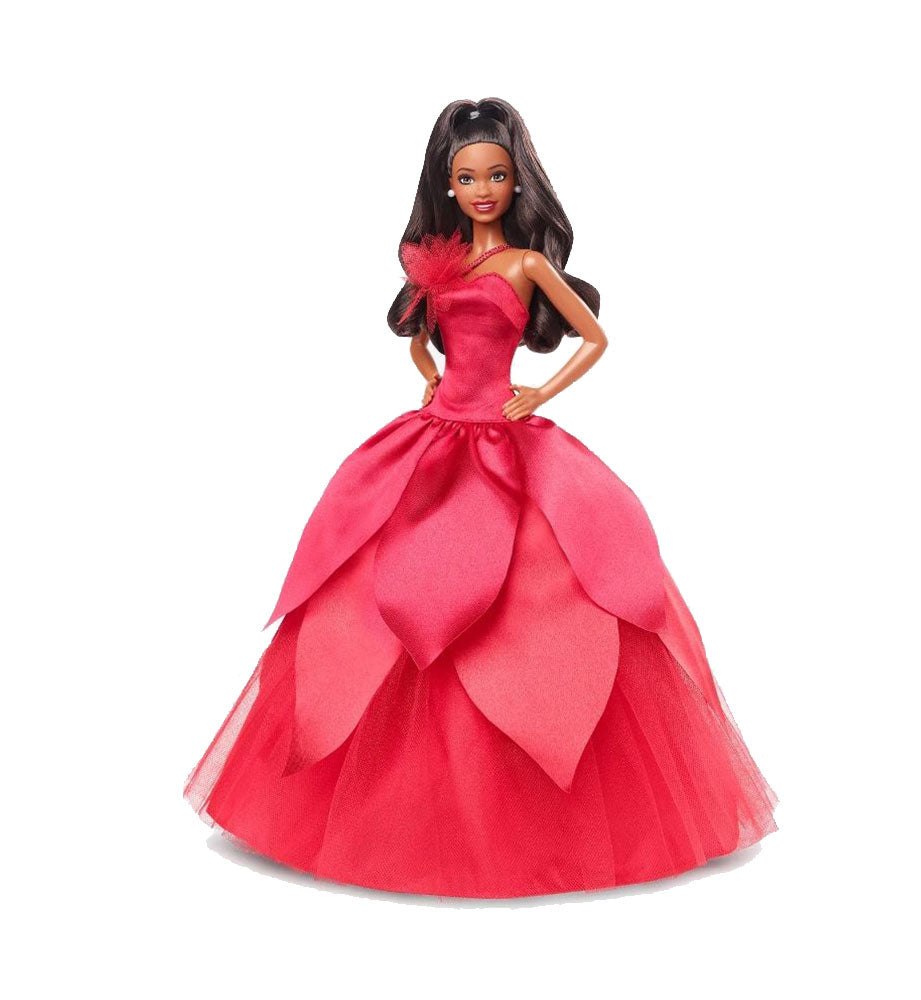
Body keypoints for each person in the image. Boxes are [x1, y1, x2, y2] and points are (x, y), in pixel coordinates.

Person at [184, 97, 778, 898]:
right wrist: (430, 374)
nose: (484, 190)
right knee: (389, 583)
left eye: (496, 175)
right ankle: (391, 801)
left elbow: (595, 337)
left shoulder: (527, 266)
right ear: (448, 185)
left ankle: (543, 798)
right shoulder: (440, 262)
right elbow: (419, 334)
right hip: (436, 438)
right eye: (468, 178)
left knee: (545, 594)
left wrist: (537, 395)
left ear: (516, 181)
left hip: (505, 433)